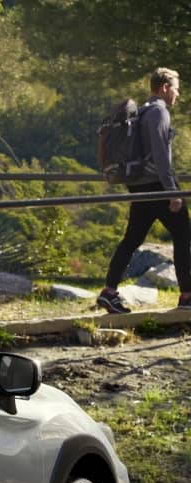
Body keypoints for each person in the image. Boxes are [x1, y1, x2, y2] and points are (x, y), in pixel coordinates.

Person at [98, 67, 191, 314]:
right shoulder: (159, 113)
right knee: (183, 235)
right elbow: (162, 156)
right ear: (165, 88)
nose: (178, 94)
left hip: (138, 183)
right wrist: (172, 192)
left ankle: (109, 292)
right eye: (176, 88)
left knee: (132, 239)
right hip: (156, 184)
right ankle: (187, 297)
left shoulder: (142, 112)